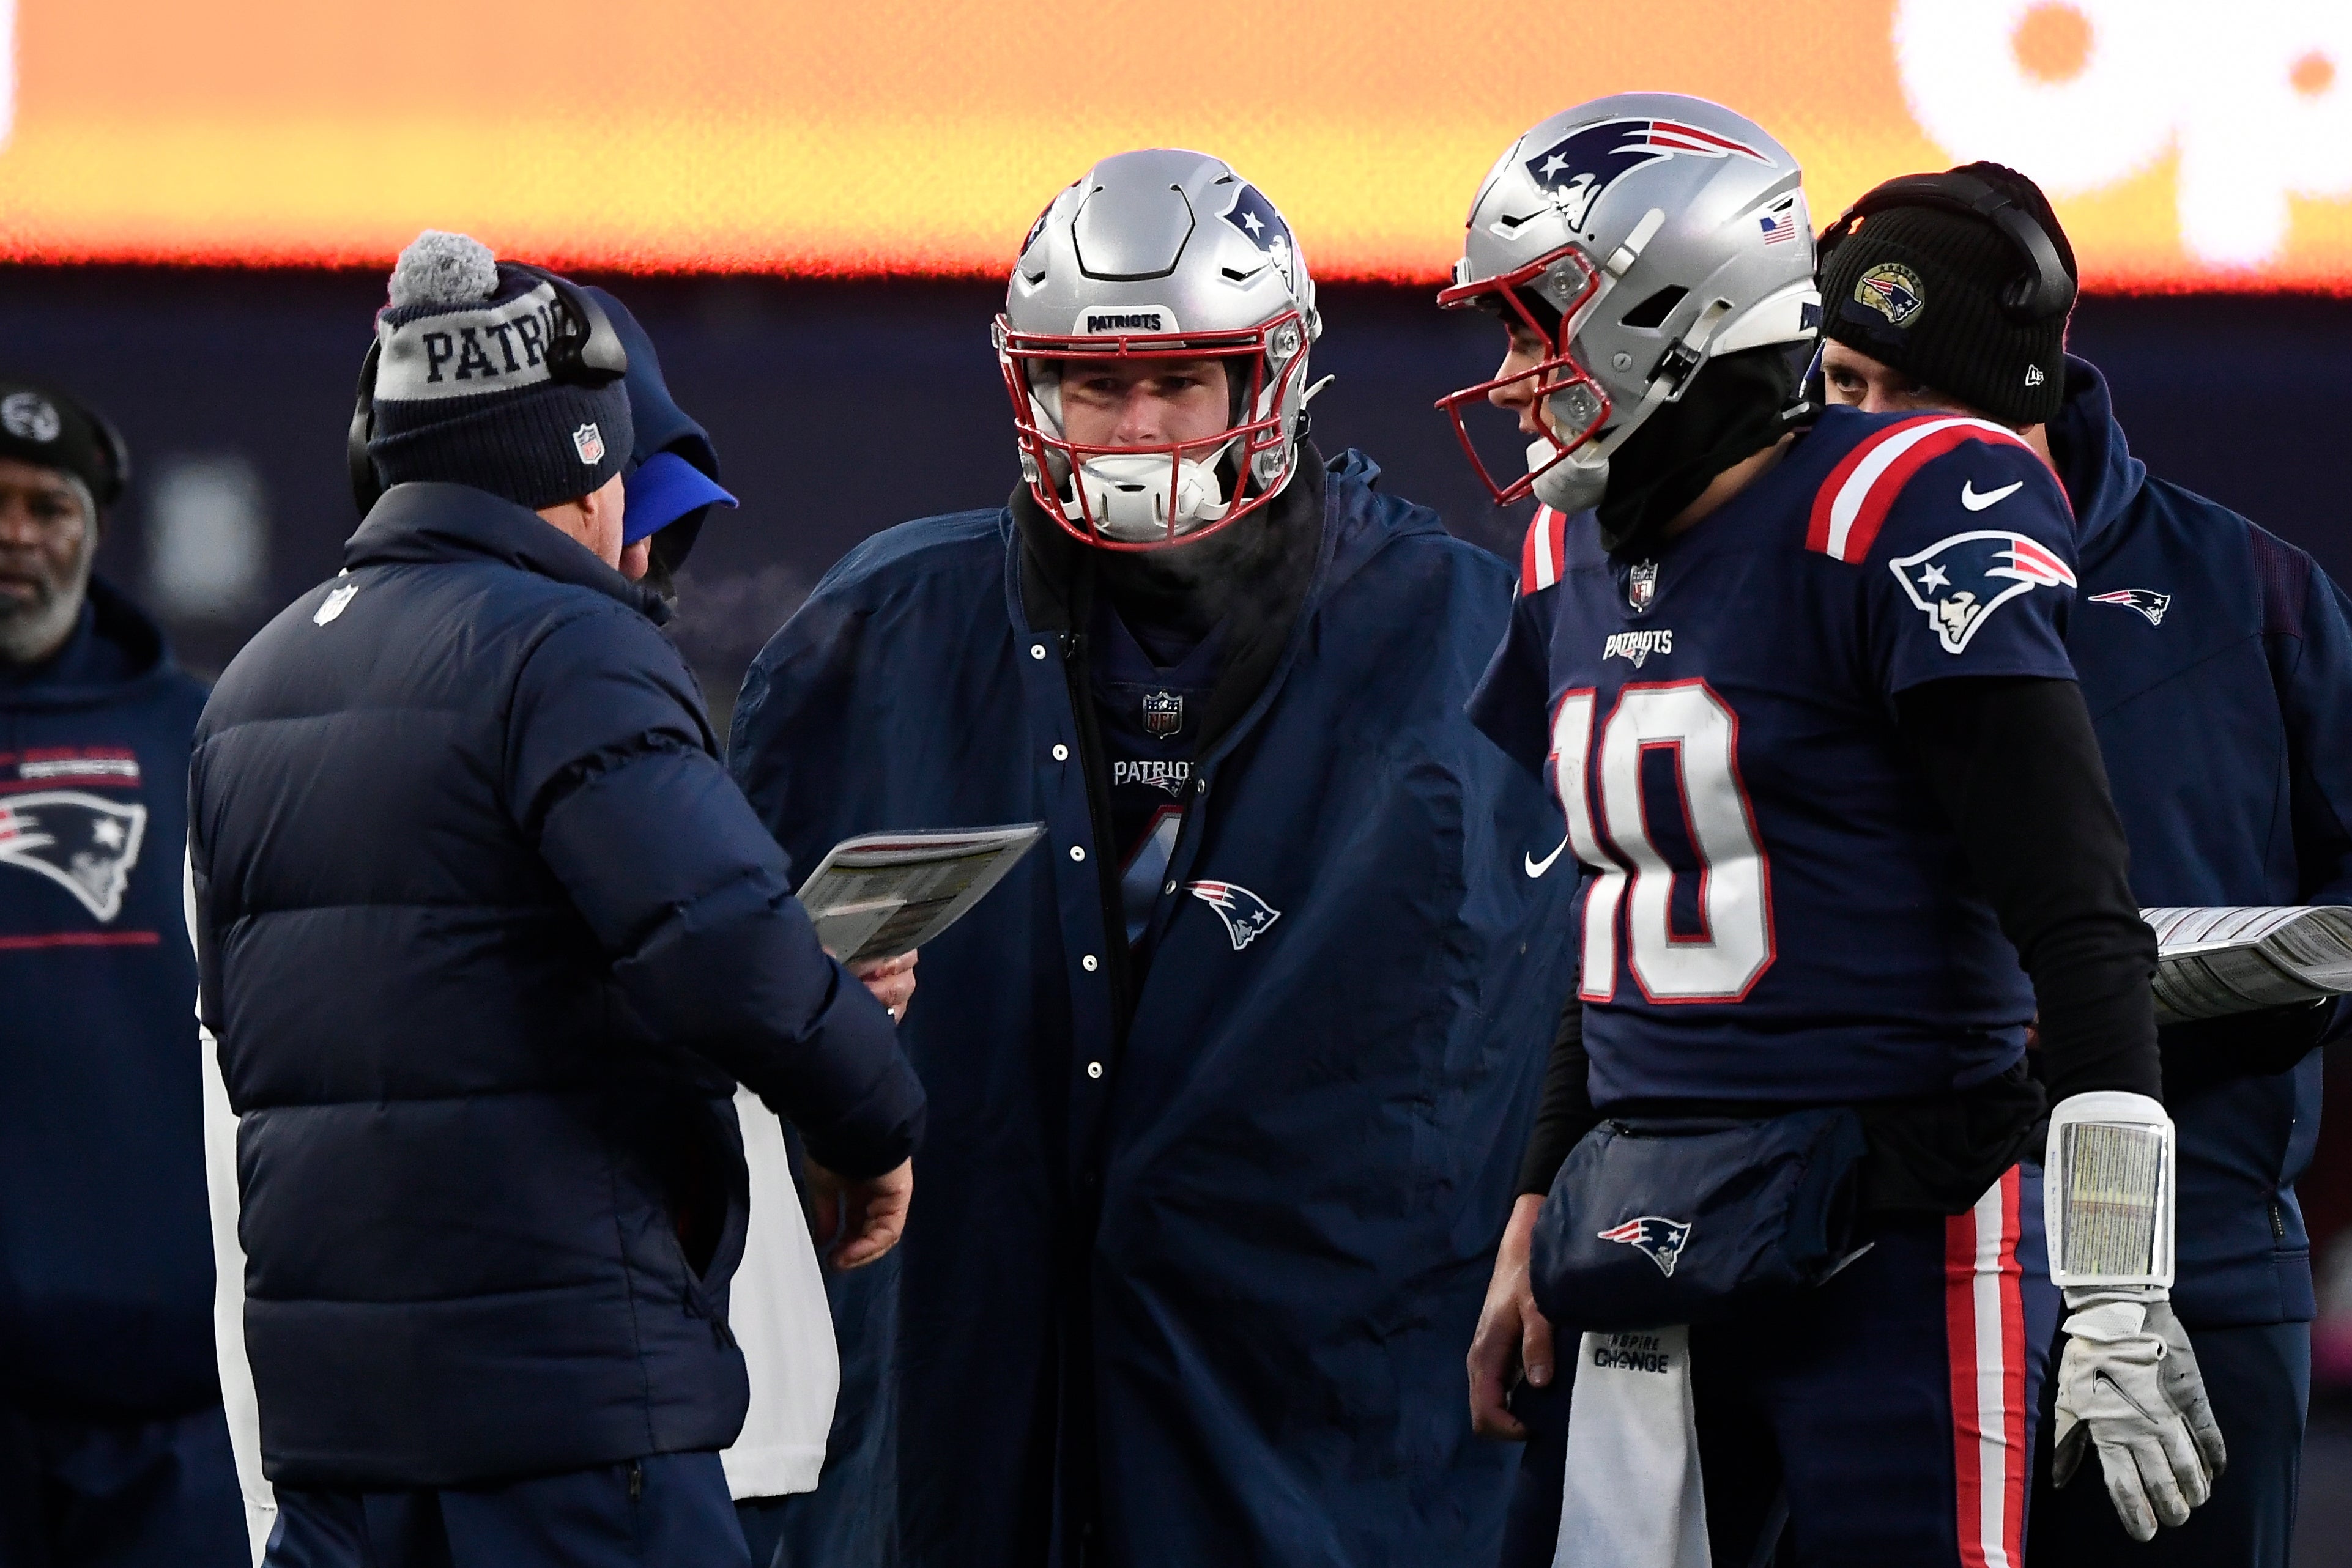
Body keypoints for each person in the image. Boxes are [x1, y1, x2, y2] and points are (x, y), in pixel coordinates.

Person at [726, 149, 1571, 1565]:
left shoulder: (1472, 640)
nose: (1133, 428)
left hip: (1332, 1452)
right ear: (1030, 387)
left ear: (1274, 376)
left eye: (1178, 381)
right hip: (949, 1429)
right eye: (1095, 385)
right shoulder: (874, 635)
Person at [1443, 94, 2219, 1565]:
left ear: (1670, 315)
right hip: (1648, 1227)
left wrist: (2120, 1283)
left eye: (1535, 324)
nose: (1508, 378)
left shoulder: (1898, 502)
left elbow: (2078, 921)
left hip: (1901, 1230)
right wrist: (1535, 1207)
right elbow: (1621, 922)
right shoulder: (1568, 554)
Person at [185, 231, 926, 1568]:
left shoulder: (252, 684)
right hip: (566, 1414)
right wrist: (869, 1118)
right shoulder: (568, 641)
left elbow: (279, 1041)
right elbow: (720, 954)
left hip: (338, 1438)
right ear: (589, 458)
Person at [1809, 161, 2352, 1568]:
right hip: (1874, 1277)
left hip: (2203, 1273)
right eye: (1835, 387)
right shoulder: (1782, 584)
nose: (1853, 435)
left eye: (1889, 394)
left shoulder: (2258, 597)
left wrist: (2140, 973)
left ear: (2017, 390)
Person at [0, 382, 247, 1567]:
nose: (16, 535)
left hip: (177, 1400)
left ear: (96, 529)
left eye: (48, 505)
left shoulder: (203, 741)